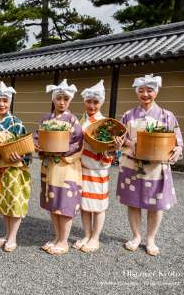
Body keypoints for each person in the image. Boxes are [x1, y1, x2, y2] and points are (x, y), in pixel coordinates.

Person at [115, 74, 183, 256]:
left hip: (156, 168)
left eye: (150, 90)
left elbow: (178, 141)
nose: (145, 94)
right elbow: (120, 139)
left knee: (156, 205)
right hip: (132, 166)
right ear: (137, 92)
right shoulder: (128, 115)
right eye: (141, 91)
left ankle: (150, 239)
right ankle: (136, 236)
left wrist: (177, 149)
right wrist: (124, 143)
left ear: (156, 92)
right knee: (133, 203)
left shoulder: (167, 116)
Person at [34, 79, 83, 255]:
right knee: (53, 203)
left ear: (70, 101)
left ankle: (64, 241)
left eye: (66, 99)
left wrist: (60, 150)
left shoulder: (72, 119)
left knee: (65, 203)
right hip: (49, 167)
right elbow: (36, 138)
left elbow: (78, 143)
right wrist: (37, 146)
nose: (62, 102)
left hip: (66, 167)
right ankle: (56, 237)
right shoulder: (45, 119)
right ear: (53, 99)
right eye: (59, 98)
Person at [74, 80, 120, 253]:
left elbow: (110, 149)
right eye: (89, 101)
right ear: (84, 101)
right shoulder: (81, 119)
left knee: (98, 205)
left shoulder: (105, 123)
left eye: (96, 102)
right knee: (85, 204)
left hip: (98, 168)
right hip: (82, 167)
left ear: (101, 103)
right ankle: (87, 234)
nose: (92, 105)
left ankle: (95, 237)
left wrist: (114, 148)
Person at [0, 81, 32, 252]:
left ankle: (13, 237)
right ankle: (7, 234)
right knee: (4, 202)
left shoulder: (16, 123)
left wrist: (21, 156)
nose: (2, 104)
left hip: (15, 168)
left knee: (15, 202)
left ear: (10, 103)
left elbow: (27, 148)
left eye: (5, 101)